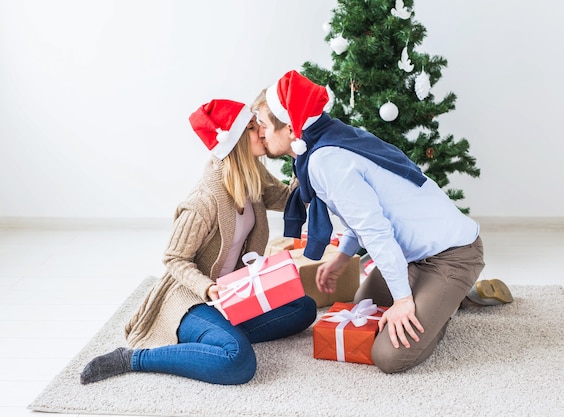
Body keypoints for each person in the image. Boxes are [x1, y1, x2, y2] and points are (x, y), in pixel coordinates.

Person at [253, 70, 513, 374]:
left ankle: (446, 303)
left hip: (452, 255)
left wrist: (403, 300)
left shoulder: (327, 161)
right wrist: (342, 257)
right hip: (412, 256)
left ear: (292, 131)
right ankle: (433, 300)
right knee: (365, 304)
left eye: (264, 126)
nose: (260, 134)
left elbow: (376, 233)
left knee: (389, 356)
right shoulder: (326, 140)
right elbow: (357, 214)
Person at [80, 99, 317, 385]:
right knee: (237, 361)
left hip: (232, 293)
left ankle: (216, 338)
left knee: (303, 308)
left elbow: (292, 202)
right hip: (192, 298)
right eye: (255, 128)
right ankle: (133, 358)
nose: (263, 133)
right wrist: (207, 287)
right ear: (237, 141)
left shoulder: (252, 175)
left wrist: (298, 154)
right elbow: (173, 258)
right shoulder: (204, 201)